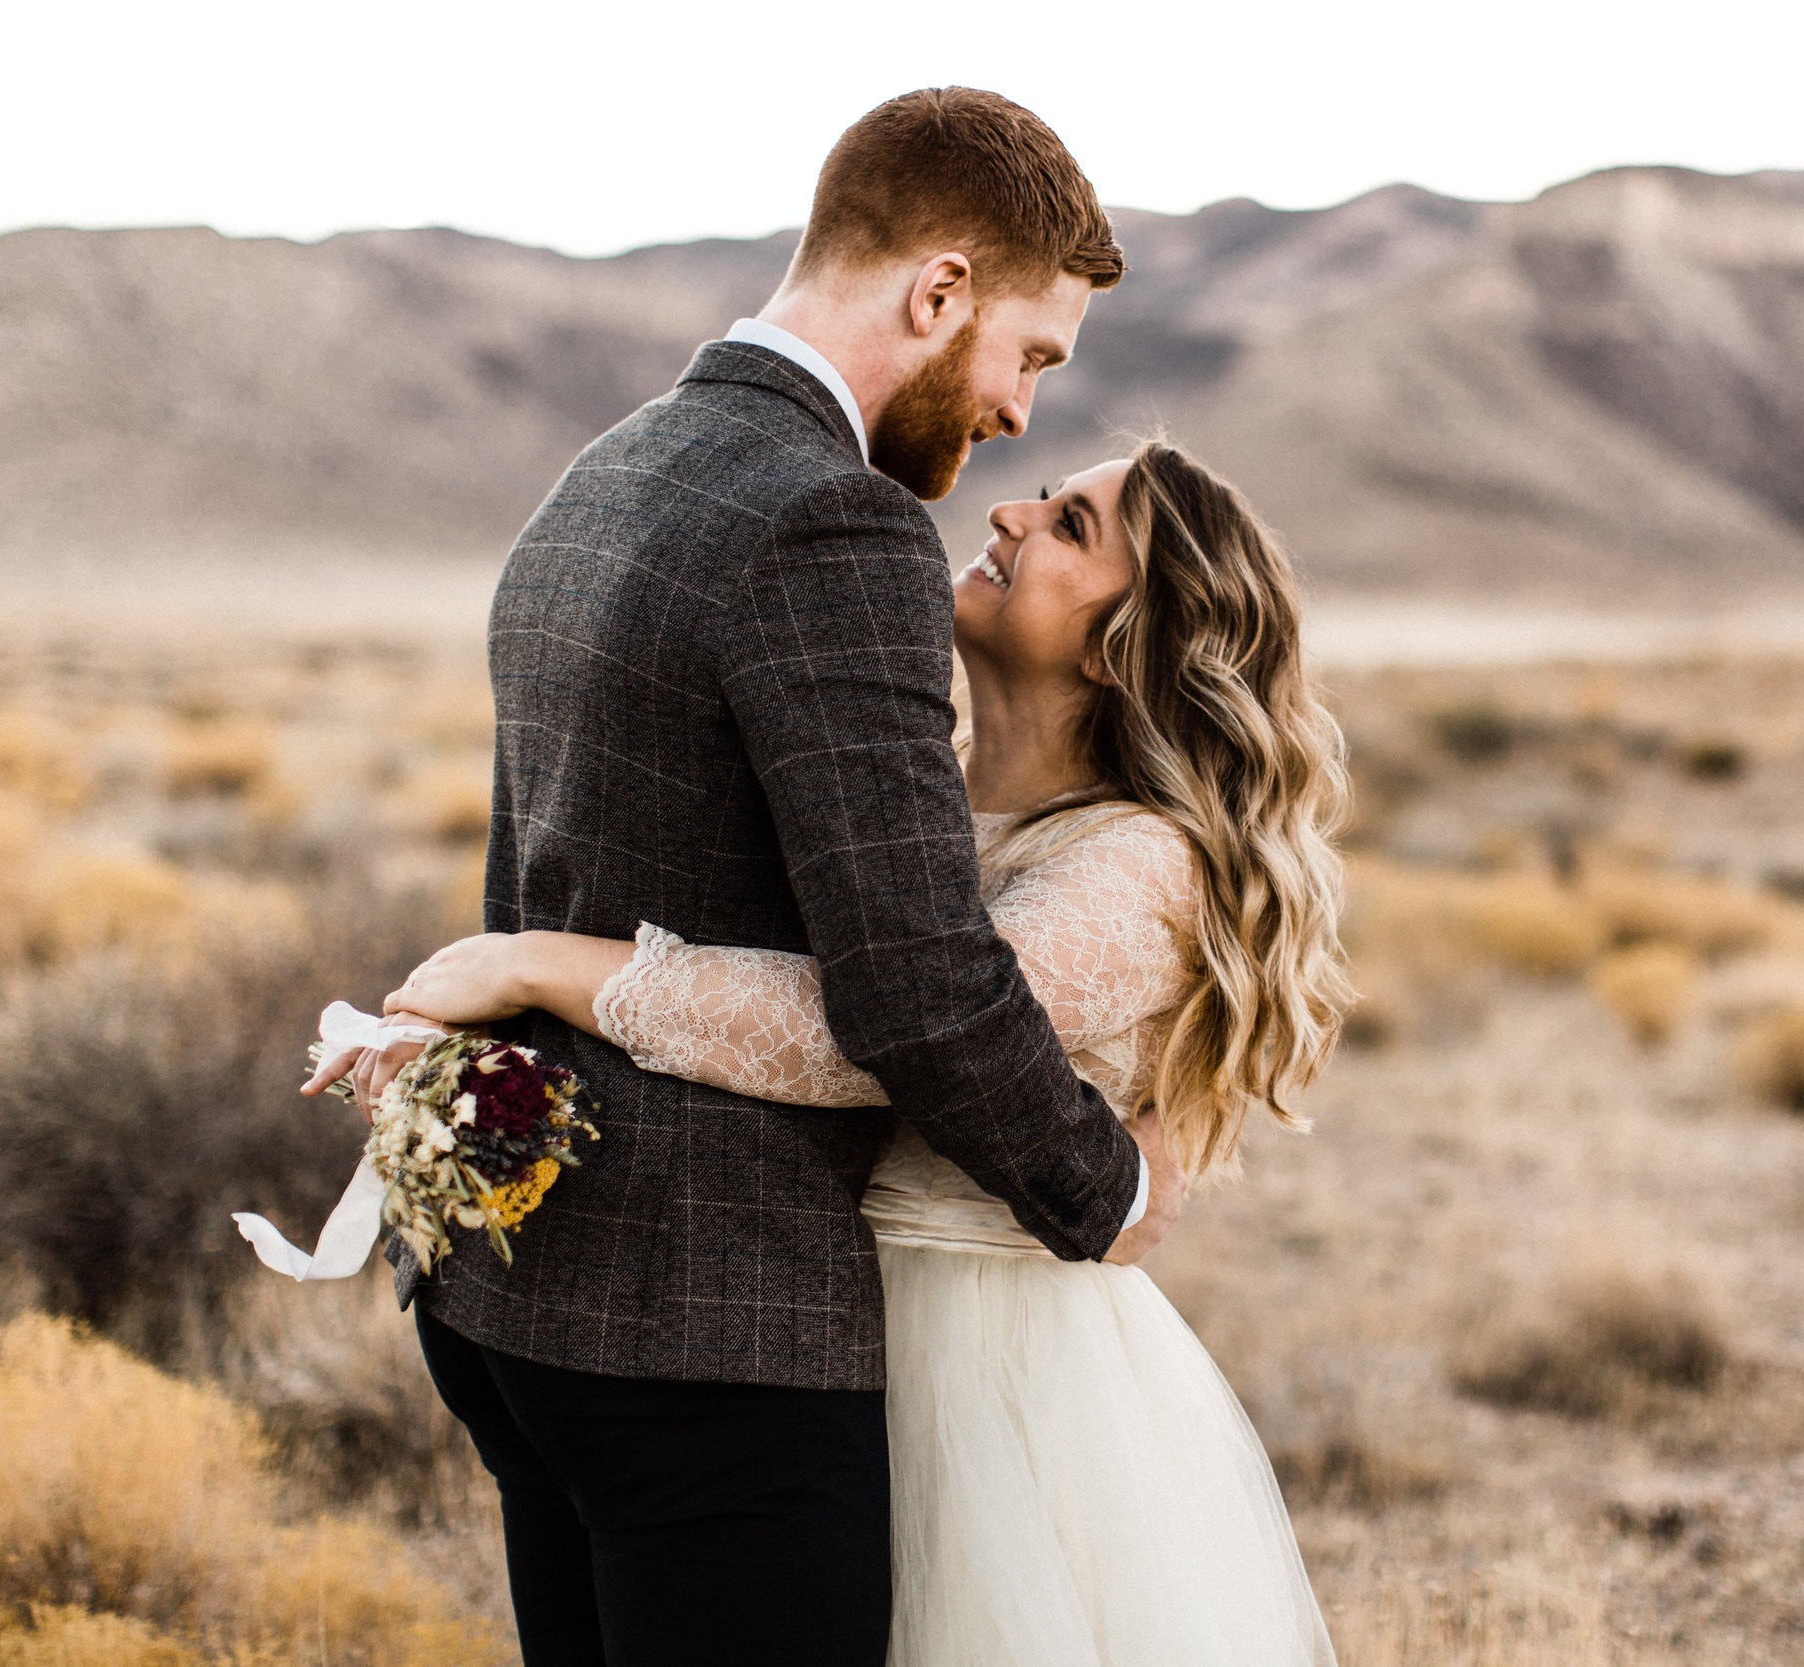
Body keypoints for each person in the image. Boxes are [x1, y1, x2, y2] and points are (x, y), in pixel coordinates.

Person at [309, 89, 1180, 1667]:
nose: (1018, 414)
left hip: (513, 1291)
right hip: (710, 1334)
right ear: (940, 292)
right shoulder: (832, 523)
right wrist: (1102, 1184)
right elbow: (916, 982)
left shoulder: (613, 465)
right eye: (1029, 354)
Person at [383, 439, 1351, 1665]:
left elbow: (900, 1032)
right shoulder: (926, 795)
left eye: (1067, 526)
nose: (1006, 509)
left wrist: (544, 965)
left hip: (984, 1364)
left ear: (1119, 645)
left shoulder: (1142, 863)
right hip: (806, 1313)